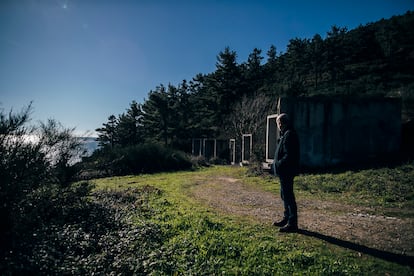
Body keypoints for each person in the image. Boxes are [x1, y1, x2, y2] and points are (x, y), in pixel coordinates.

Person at [272, 113, 300, 233]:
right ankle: (287, 218)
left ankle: (292, 223)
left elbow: (289, 155)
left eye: (278, 123)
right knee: (284, 195)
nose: (278, 126)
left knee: (288, 196)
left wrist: (279, 164)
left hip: (287, 171)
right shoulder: (286, 134)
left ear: (281, 123)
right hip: (285, 171)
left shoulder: (289, 135)